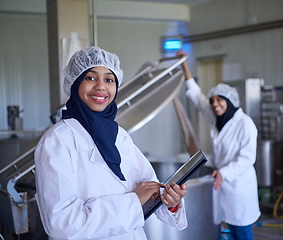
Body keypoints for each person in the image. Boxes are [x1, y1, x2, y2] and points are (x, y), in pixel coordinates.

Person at [34, 46, 187, 240]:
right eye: (90, 78)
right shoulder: (57, 140)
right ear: (75, 83)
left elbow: (150, 191)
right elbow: (62, 224)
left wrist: (170, 202)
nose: (100, 86)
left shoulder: (120, 136)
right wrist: (133, 201)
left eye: (109, 79)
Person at [177, 51, 260, 240]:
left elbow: (247, 158)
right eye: (213, 100)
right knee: (225, 228)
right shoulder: (217, 119)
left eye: (219, 100)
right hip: (221, 185)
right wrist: (185, 67)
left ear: (229, 101)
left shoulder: (244, 123)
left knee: (242, 231)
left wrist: (225, 172)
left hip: (238, 186)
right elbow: (197, 97)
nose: (214, 104)